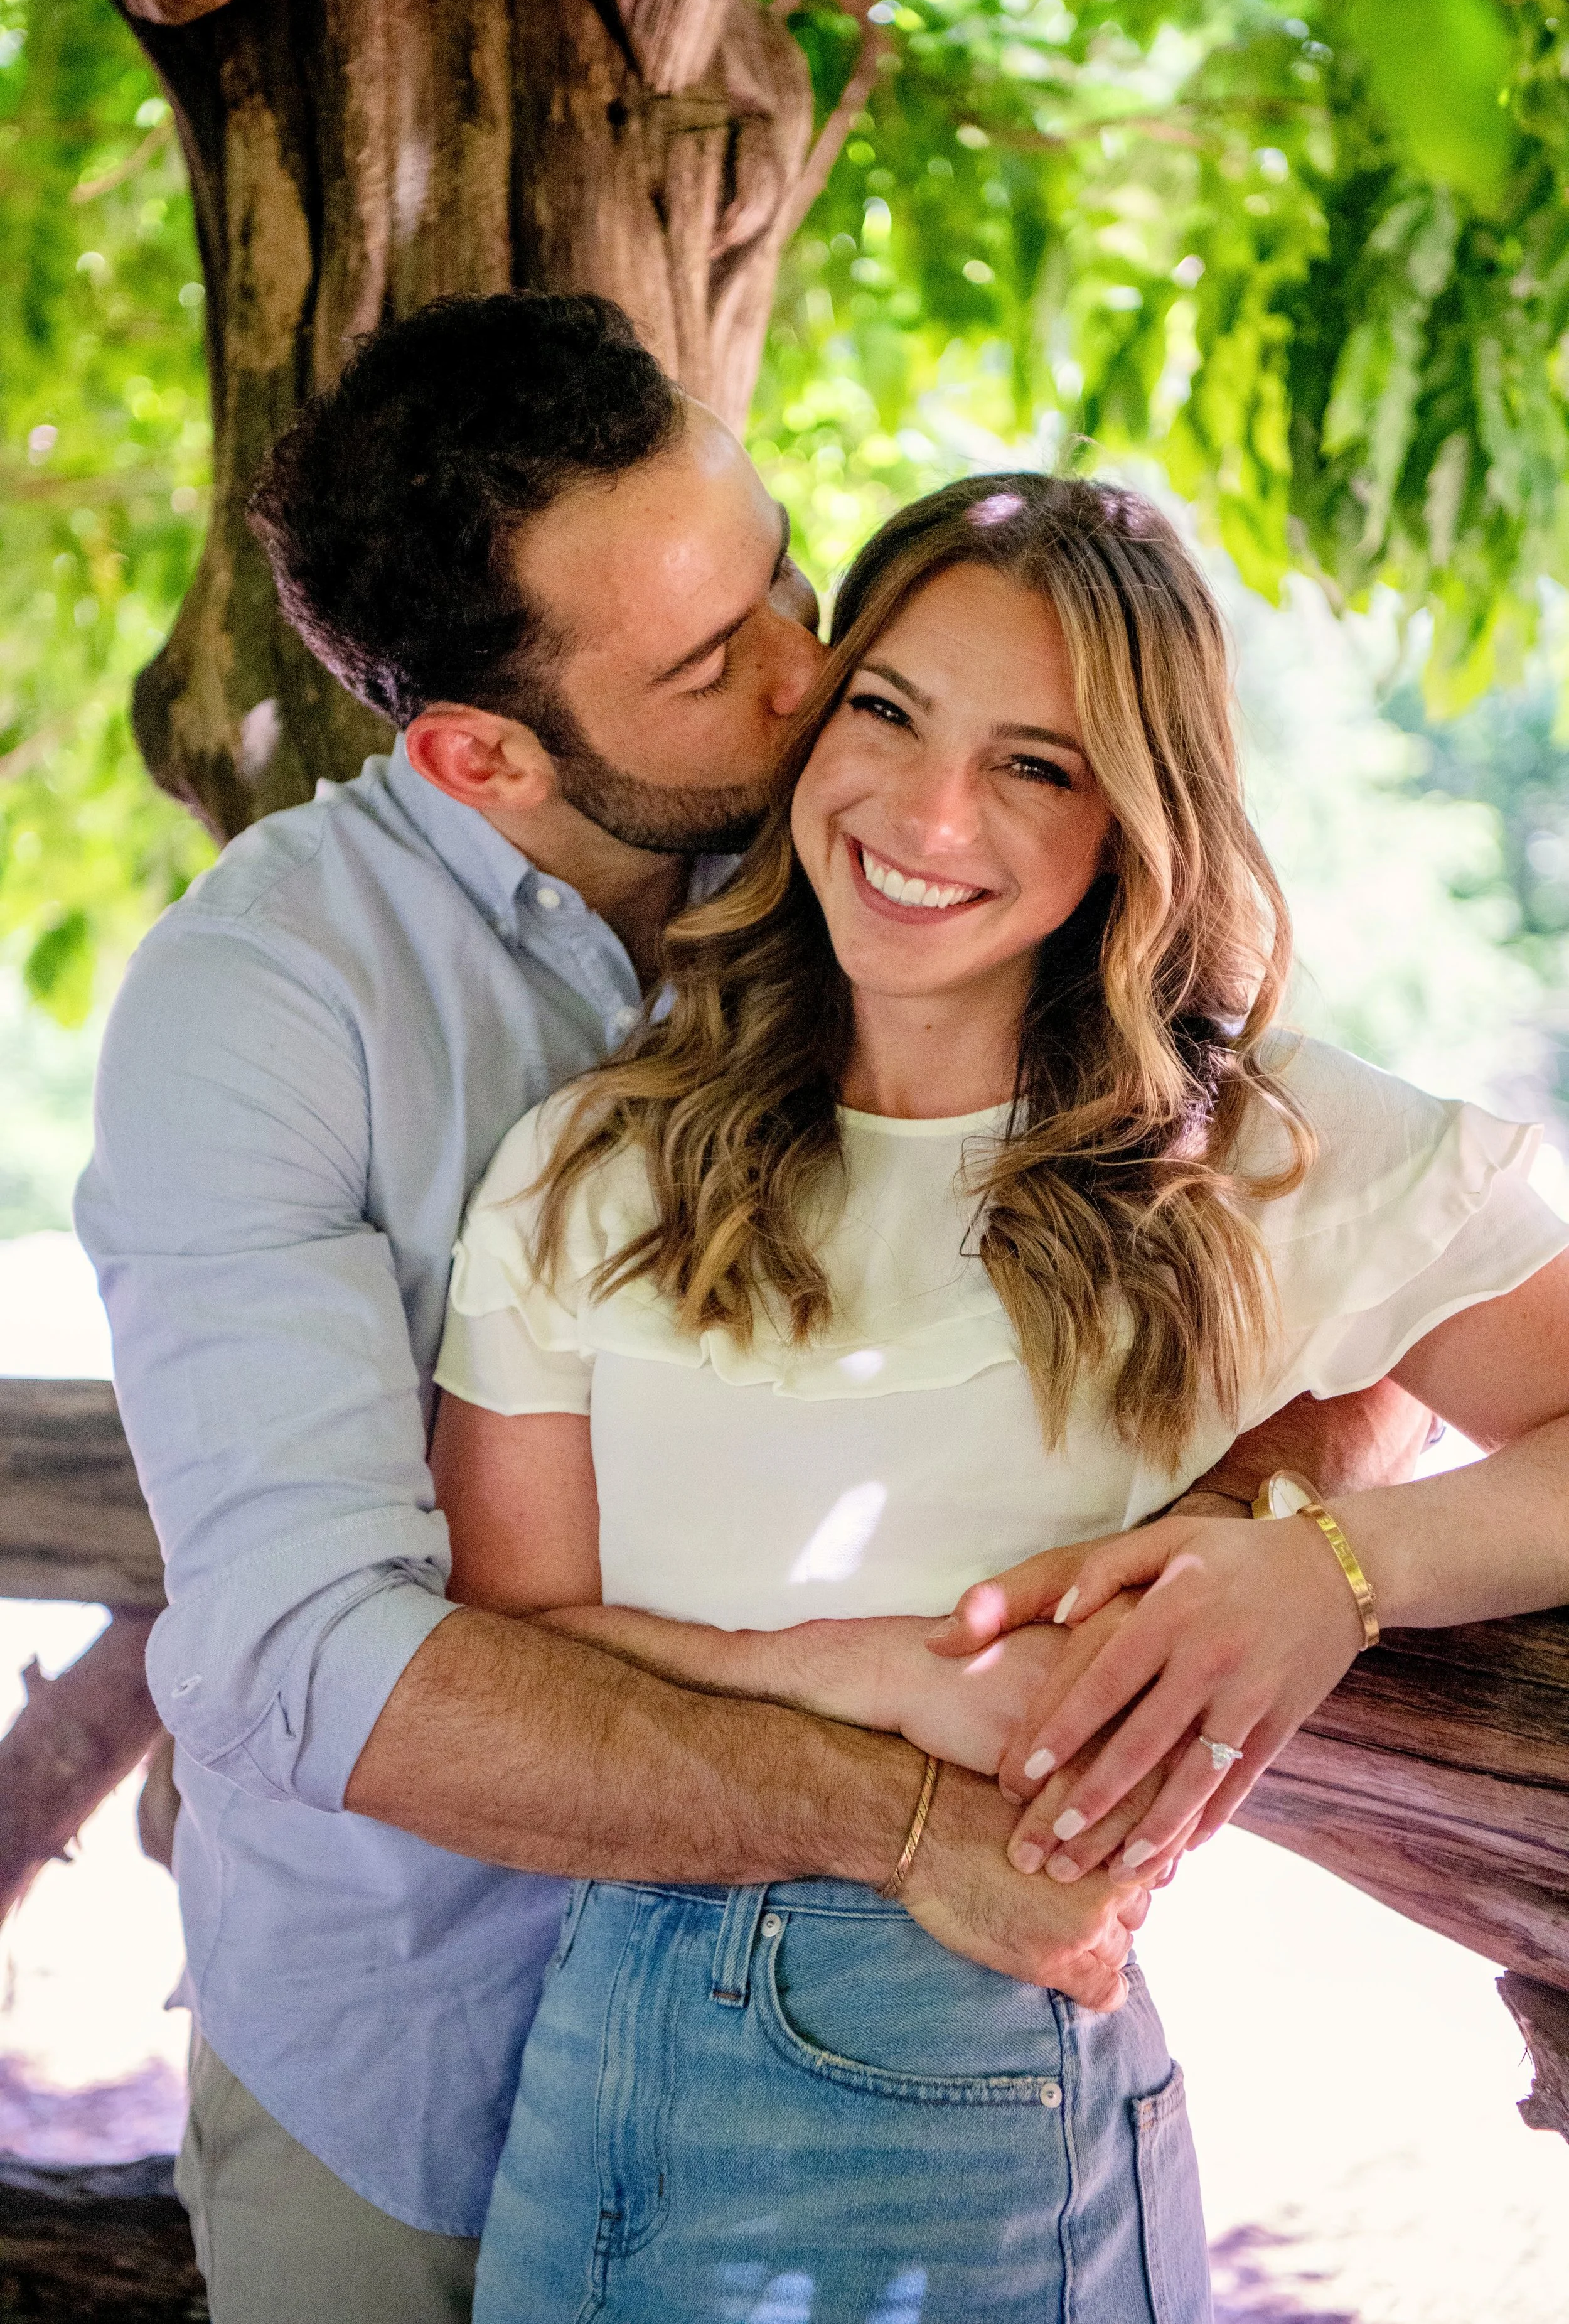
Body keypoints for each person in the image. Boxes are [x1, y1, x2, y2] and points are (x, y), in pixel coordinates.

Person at [76, 294, 1427, 2324]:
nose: (813, 675)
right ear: (478, 754)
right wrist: (905, 1809)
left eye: (783, 573)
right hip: (416, 2034)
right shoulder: (263, 1006)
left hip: (871, 2053)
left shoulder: (893, 861)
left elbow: (1307, 1246)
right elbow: (303, 1656)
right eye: (712, 662)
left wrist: (1260, 1528)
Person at [429, 472, 1569, 2323]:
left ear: (1134, 819)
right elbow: (508, 1641)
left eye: (1036, 765)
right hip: (595, 2058)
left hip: (955, 2081)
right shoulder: (597, 1160)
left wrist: (1329, 1573)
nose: (929, 814)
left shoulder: (1260, 1151)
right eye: (887, 712)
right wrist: (874, 1673)